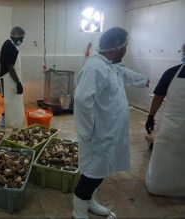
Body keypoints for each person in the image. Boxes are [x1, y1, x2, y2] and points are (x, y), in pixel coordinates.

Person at [72, 27, 149, 219]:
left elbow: (126, 74)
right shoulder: (95, 67)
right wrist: (87, 131)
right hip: (96, 135)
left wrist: (146, 81)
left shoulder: (110, 65)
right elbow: (82, 101)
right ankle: (78, 212)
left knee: (100, 170)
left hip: (108, 133)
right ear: (117, 45)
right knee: (91, 174)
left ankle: (90, 202)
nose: (126, 50)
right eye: (126, 46)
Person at [145, 43, 185, 197]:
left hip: (170, 125)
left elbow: (158, 97)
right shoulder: (172, 73)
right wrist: (150, 116)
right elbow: (159, 96)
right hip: (170, 126)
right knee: (165, 157)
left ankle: (159, 186)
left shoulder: (171, 72)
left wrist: (151, 116)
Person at [0, 26, 25, 130]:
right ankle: (1, 128)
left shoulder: (9, 44)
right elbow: (9, 66)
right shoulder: (9, 46)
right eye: (22, 38)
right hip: (8, 80)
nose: (22, 40)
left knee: (10, 104)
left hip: (9, 80)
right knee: (9, 104)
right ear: (17, 38)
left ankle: (7, 125)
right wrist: (18, 82)